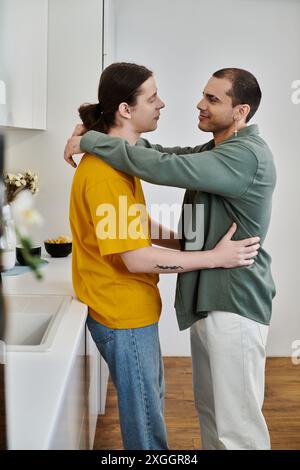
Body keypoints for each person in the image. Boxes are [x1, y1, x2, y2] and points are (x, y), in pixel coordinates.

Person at [65, 67, 276, 450]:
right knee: (213, 417)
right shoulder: (216, 151)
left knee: (238, 430)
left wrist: (94, 140)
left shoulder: (244, 156)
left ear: (241, 111)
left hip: (234, 302)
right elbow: (161, 155)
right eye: (204, 94)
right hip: (206, 300)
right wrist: (95, 137)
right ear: (126, 110)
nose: (199, 104)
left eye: (213, 99)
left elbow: (165, 168)